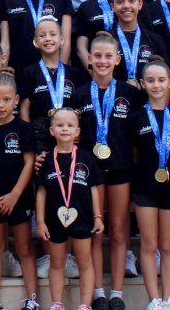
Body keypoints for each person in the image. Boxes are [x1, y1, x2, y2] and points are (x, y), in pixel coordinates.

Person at [75, 31, 141, 310]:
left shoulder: (131, 94)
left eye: (108, 56)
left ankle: (116, 293)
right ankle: (97, 292)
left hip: (121, 170)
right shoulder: (78, 94)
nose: (102, 61)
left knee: (117, 231)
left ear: (118, 59)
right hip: (91, 176)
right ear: (89, 59)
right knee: (95, 230)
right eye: (97, 56)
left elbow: (138, 138)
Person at [36, 107, 103, 310]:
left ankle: (85, 304)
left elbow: (93, 189)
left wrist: (97, 216)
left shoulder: (86, 157)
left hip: (82, 218)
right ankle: (57, 303)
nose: (65, 129)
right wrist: (40, 222)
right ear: (51, 130)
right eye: (60, 125)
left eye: (70, 125)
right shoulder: (46, 160)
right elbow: (41, 192)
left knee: (85, 262)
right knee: (56, 263)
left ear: (78, 131)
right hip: (54, 220)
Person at [130, 57, 170, 310]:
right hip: (144, 190)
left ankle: (169, 298)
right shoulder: (136, 117)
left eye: (161, 80)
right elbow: (133, 155)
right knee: (149, 245)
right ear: (142, 84)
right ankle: (153, 300)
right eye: (150, 80)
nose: (156, 85)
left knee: (168, 245)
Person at [0, 69, 39, 310]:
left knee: (25, 248)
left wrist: (15, 195)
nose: (1, 104)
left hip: (19, 198)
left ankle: (32, 299)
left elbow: (29, 163)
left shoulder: (24, 129)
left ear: (16, 100)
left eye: (6, 100)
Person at [20, 16, 87, 154]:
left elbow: (81, 107)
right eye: (42, 35)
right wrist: (29, 138)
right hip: (40, 132)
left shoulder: (75, 73)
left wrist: (78, 129)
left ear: (62, 40)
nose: (48, 39)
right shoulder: (29, 72)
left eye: (53, 34)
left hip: (67, 129)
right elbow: (25, 109)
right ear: (35, 42)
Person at [108, 0, 170, 83]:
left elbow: (165, 78)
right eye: (120, 2)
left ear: (140, 4)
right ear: (113, 7)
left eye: (131, 1)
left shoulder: (155, 40)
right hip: (114, 98)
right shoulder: (106, 41)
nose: (126, 6)